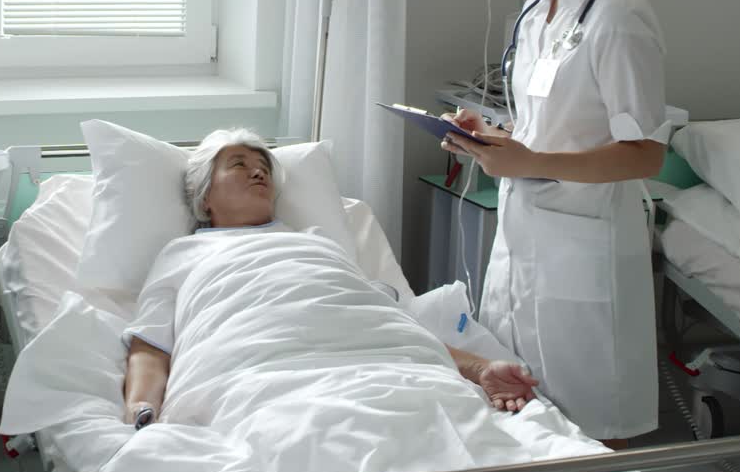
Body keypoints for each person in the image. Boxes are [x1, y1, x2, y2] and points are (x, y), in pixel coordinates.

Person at [442, 0, 668, 447]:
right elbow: (552, 128)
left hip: (584, 249)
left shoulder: (618, 16)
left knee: (590, 438)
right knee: (520, 420)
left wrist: (532, 160)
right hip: (528, 239)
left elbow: (645, 153)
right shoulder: (537, 12)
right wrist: (492, 141)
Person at [122, 129, 540, 429]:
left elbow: (379, 316)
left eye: (263, 166)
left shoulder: (317, 243)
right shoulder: (183, 253)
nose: (258, 172)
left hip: (376, 364)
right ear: (204, 196)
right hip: (255, 366)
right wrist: (143, 409)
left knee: (430, 419)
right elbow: (150, 346)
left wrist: (480, 367)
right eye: (239, 164)